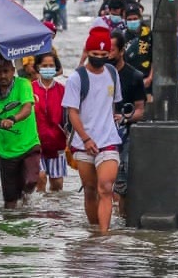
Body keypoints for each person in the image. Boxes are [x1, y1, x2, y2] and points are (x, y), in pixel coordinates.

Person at [62, 28, 122, 233]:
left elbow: (112, 104)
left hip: (108, 141)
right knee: (89, 190)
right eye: (95, 55)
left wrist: (113, 121)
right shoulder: (76, 79)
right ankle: (94, 231)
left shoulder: (112, 73)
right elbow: (72, 113)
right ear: (87, 52)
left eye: (104, 56)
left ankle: (104, 236)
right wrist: (86, 139)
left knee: (105, 187)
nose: (99, 59)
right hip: (83, 143)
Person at [0, 56, 41, 209]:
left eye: (6, 71)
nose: (3, 76)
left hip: (29, 145)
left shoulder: (23, 84)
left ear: (13, 71)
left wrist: (13, 119)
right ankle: (9, 228)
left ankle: (27, 204)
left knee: (31, 181)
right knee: (9, 201)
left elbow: (27, 108)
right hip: (6, 152)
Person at [107, 32, 146, 217]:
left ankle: (121, 225)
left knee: (122, 188)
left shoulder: (134, 76)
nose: (107, 54)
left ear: (122, 51)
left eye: (111, 50)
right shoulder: (96, 76)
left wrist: (124, 118)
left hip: (125, 138)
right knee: (101, 187)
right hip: (100, 138)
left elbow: (141, 110)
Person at [32, 53, 67, 192]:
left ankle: (53, 212)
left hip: (57, 143)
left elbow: (69, 116)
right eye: (44, 65)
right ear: (38, 67)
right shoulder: (30, 89)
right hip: (35, 144)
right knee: (40, 178)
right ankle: (38, 212)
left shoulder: (62, 90)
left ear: (56, 67)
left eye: (51, 66)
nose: (48, 68)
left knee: (57, 185)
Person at [123, 3, 153, 100]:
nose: (132, 21)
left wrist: (150, 78)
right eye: (130, 20)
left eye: (135, 19)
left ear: (140, 18)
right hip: (128, 81)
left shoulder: (148, 35)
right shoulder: (122, 37)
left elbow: (155, 59)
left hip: (146, 81)